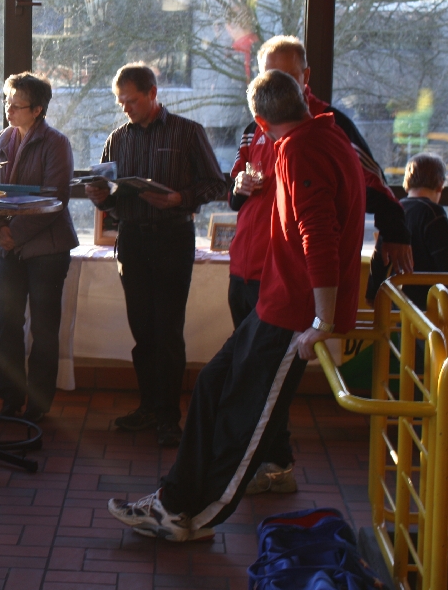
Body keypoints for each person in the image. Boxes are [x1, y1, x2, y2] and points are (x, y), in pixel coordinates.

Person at [107, 69, 365, 542]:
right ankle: (173, 498)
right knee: (211, 384)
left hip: (293, 313)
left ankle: (191, 517)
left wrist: (322, 321)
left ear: (260, 121)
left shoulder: (301, 148)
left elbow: (320, 239)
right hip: (274, 300)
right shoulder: (324, 134)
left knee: (244, 420)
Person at [228, 35, 413, 493]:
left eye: (287, 75)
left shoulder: (327, 125)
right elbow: (235, 187)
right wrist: (239, 186)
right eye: (268, 73)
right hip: (245, 266)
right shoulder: (255, 124)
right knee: (247, 375)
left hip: (283, 277)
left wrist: (396, 230)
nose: (276, 82)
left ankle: (273, 463)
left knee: (270, 379)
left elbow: (372, 183)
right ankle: (258, 460)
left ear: (305, 77)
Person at [84, 63, 227, 445]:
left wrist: (181, 198)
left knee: (167, 331)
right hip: (132, 239)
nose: (125, 108)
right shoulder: (118, 138)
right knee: (142, 330)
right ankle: (148, 407)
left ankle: (168, 417)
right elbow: (110, 197)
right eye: (120, 101)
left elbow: (216, 183)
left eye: (131, 100)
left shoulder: (187, 132)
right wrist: (101, 197)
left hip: (172, 238)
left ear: (152, 94)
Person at [0, 72, 78, 423]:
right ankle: (10, 398)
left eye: (17, 105)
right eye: (7, 102)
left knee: (43, 328)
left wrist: (15, 233)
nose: (8, 110)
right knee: (7, 323)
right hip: (7, 246)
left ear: (38, 109)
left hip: (47, 249)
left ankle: (38, 405)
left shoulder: (56, 143)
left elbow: (55, 198)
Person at [367, 153, 448, 312]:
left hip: (400, 299)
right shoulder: (433, 213)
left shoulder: (395, 211)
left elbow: (380, 256)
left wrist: (372, 293)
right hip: (430, 301)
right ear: (440, 185)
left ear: (407, 182)